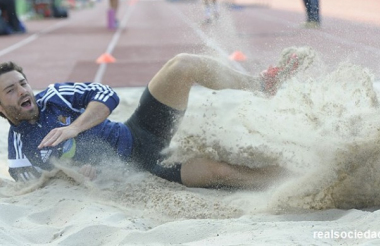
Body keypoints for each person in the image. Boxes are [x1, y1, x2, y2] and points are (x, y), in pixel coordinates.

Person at [0, 53, 298, 189]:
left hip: (139, 130)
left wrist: (74, 127)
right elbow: (40, 185)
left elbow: (107, 95)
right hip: (146, 168)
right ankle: (295, 180)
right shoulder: (18, 154)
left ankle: (260, 84)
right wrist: (77, 175)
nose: (23, 91)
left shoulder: (55, 96)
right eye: (11, 90)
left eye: (23, 83)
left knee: (182, 65)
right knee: (220, 172)